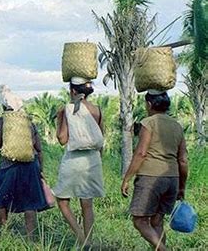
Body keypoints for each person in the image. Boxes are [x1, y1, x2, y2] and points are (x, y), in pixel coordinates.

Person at [121, 90, 187, 251]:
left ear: (149, 104)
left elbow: (141, 153)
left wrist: (127, 178)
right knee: (157, 222)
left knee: (140, 221)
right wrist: (181, 186)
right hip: (172, 178)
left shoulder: (149, 123)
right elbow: (183, 160)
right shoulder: (176, 126)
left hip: (150, 178)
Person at [0, 95, 49, 238]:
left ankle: (4, 233)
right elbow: (38, 148)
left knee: (1, 200)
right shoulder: (28, 122)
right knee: (30, 203)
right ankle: (30, 237)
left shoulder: (2, 121)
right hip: (30, 166)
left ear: (4, 108)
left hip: (9, 166)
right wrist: (40, 170)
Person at [54, 77, 105, 246]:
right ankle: (88, 241)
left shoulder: (68, 109)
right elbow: (101, 138)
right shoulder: (97, 110)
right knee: (87, 203)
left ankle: (82, 239)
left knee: (62, 200)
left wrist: (60, 118)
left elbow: (62, 139)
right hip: (93, 160)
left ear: (73, 91)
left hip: (74, 160)